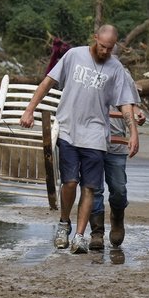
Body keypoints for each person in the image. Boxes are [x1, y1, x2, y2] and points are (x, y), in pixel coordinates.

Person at [20, 24, 140, 255]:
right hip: (68, 129)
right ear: (95, 38)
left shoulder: (116, 68)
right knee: (70, 182)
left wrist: (133, 132)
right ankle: (64, 223)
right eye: (102, 46)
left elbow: (125, 103)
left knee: (90, 187)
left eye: (110, 48)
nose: (105, 51)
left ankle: (80, 235)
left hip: (95, 133)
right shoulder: (74, 55)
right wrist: (29, 110)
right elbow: (48, 82)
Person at [90, 68, 146, 250]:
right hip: (92, 140)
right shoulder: (86, 70)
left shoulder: (122, 74)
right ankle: (97, 232)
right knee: (94, 188)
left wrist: (137, 114)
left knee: (119, 189)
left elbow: (131, 103)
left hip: (117, 142)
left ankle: (117, 217)